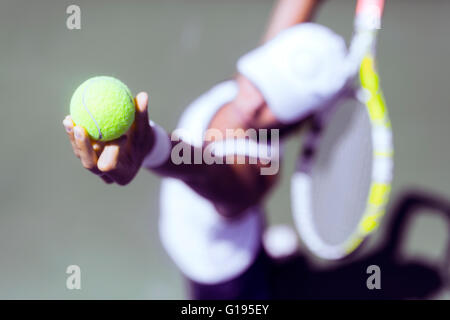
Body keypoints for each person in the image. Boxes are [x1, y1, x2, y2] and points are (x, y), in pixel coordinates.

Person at [62, 0, 349, 298]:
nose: (253, 102)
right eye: (263, 81)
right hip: (229, 236)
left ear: (300, 118)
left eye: (276, 101)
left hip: (220, 274)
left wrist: (151, 147)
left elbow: (204, 168)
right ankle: (267, 257)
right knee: (258, 243)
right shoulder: (272, 71)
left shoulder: (256, 173)